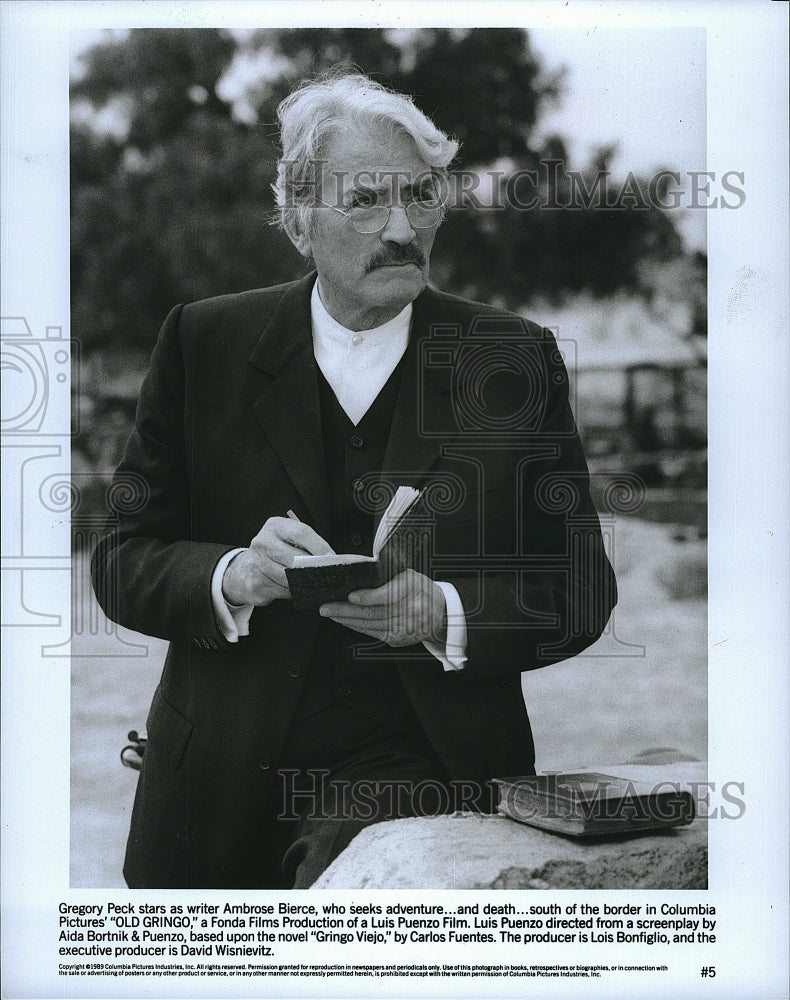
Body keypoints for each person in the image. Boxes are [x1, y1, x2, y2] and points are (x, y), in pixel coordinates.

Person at [91, 71, 617, 889]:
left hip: (425, 771)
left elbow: (581, 591)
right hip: (215, 785)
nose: (403, 229)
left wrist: (441, 613)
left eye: (421, 196)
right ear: (299, 221)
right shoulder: (203, 344)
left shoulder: (508, 359)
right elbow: (121, 558)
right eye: (367, 199)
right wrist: (232, 574)